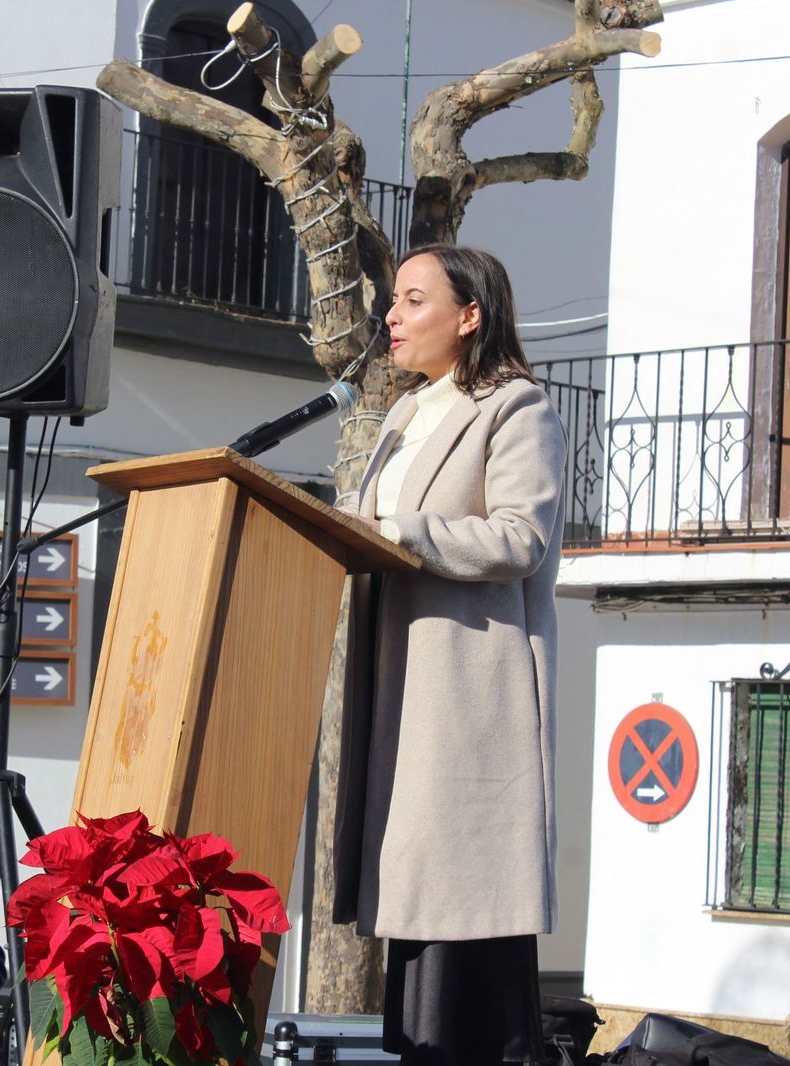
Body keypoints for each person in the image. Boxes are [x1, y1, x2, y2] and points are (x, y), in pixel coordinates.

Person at [333, 244, 567, 1066]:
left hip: (465, 691)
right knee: (420, 903)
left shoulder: (515, 406)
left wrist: (400, 532)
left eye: (412, 300)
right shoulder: (405, 413)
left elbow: (520, 538)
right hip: (398, 678)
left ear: (469, 316)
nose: (390, 317)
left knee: (462, 907)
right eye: (392, 301)